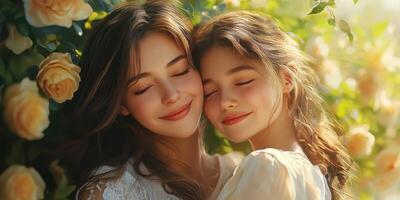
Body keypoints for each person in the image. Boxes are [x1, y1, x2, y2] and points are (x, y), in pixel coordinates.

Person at [63, 1, 238, 199]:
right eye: (144, 87)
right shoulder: (112, 193)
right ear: (122, 104)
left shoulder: (242, 171)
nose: (171, 95)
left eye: (180, 71)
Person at [193, 11, 354, 200]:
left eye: (243, 81)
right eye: (210, 92)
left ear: (286, 78)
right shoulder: (310, 173)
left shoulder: (268, 167)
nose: (225, 102)